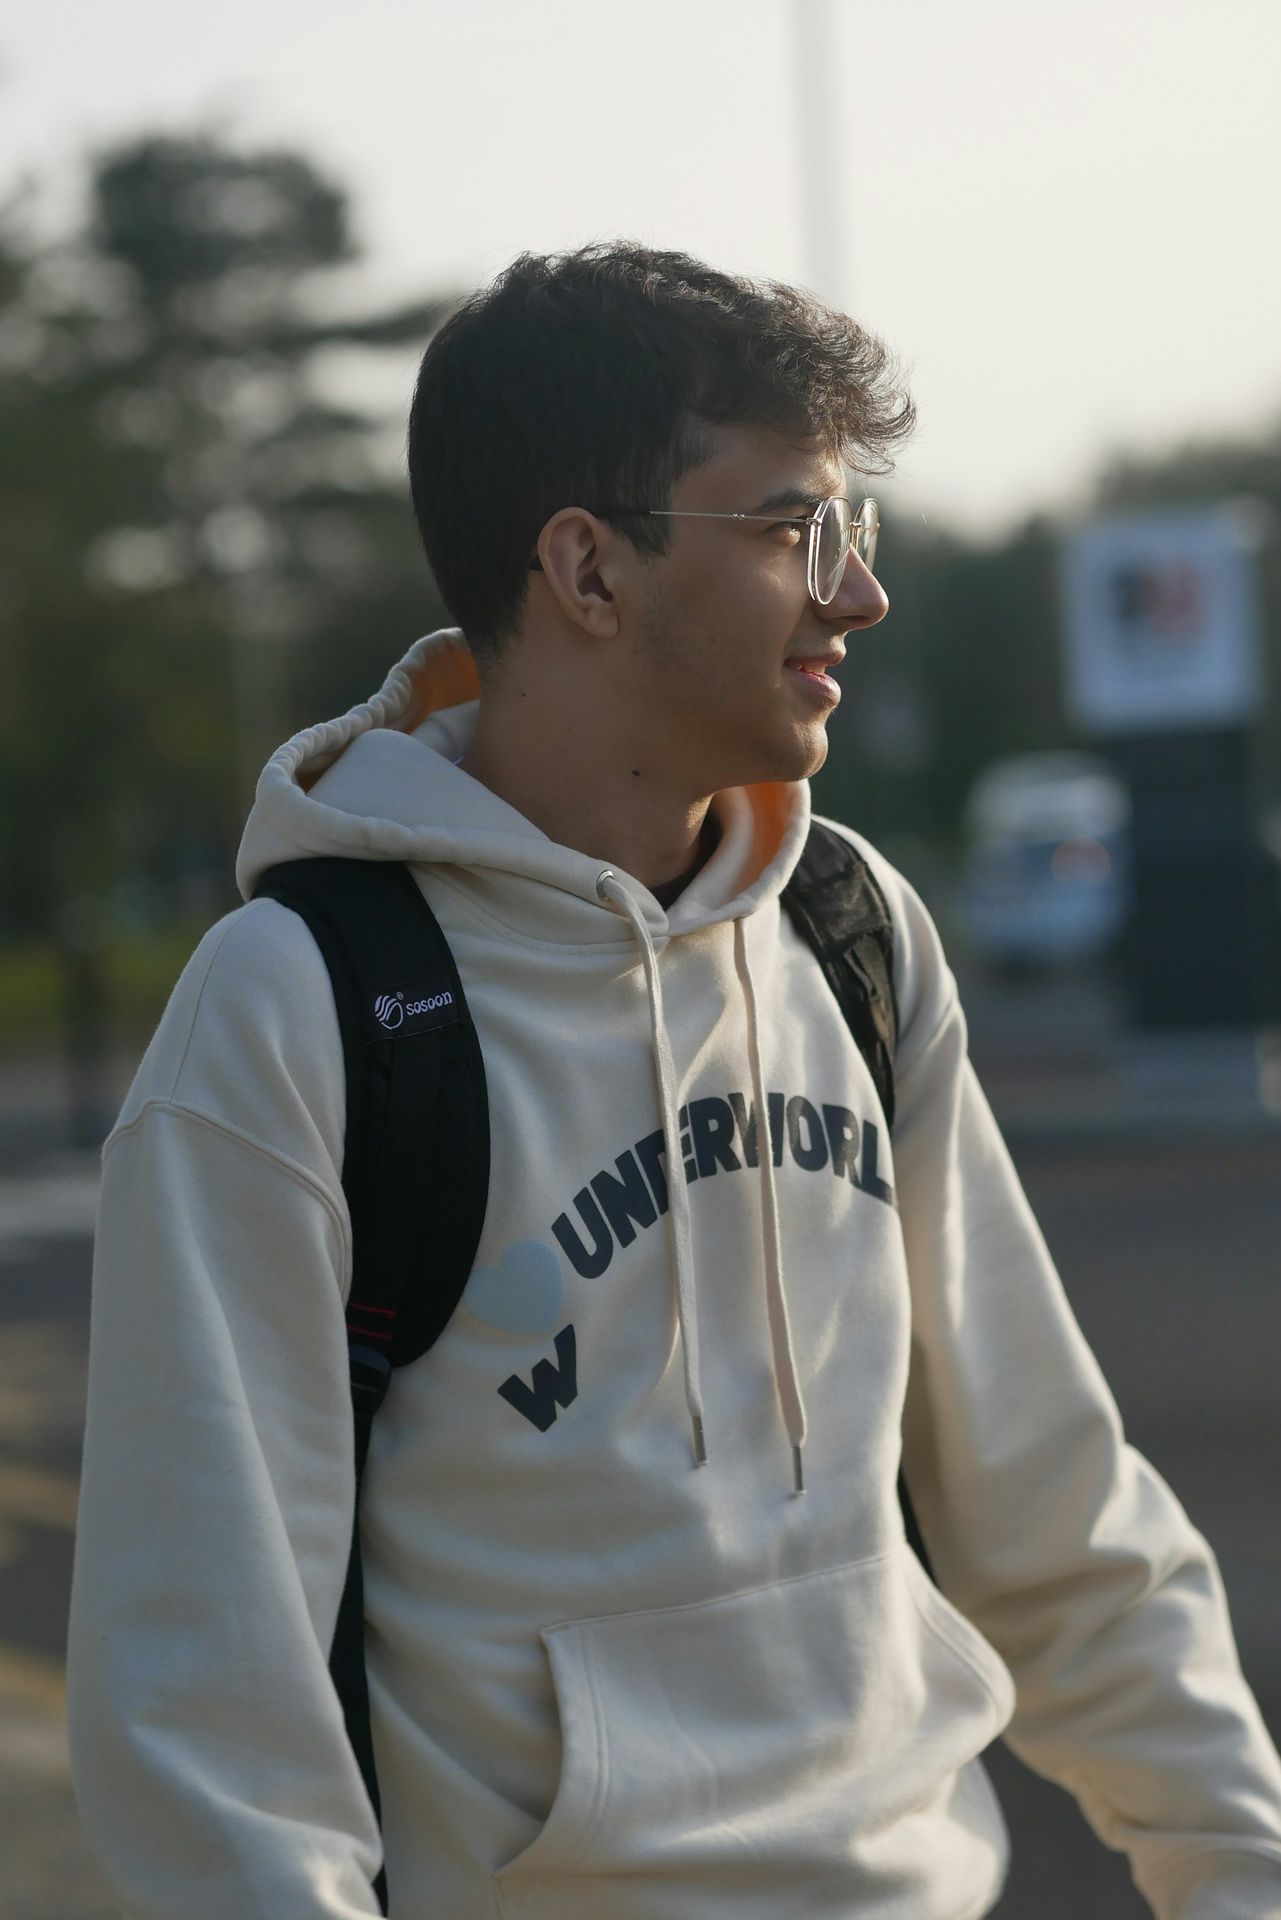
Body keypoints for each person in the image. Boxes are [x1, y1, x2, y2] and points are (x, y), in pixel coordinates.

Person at [67, 241, 1281, 1920]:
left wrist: (1234, 1870)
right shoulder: (303, 1010)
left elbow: (1056, 1512)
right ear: (586, 568)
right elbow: (209, 1731)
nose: (853, 591)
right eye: (793, 528)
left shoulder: (847, 931)